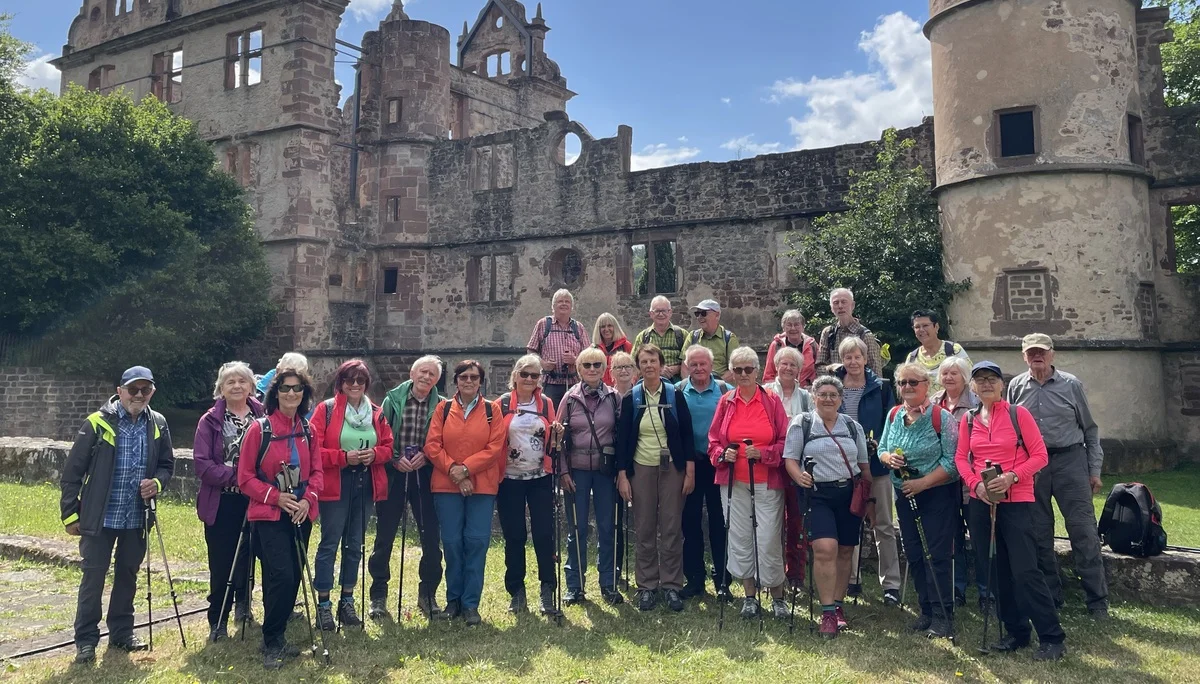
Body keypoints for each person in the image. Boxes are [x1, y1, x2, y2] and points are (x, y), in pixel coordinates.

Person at [61, 366, 175, 664]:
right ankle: (86, 640)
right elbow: (72, 473)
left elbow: (167, 465)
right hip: (100, 516)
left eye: (145, 390)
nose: (139, 395)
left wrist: (157, 483)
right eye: (133, 389)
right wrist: (70, 515)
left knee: (128, 575)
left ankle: (122, 634)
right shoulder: (96, 423)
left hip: (136, 517)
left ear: (152, 392)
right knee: (93, 578)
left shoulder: (158, 423)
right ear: (119, 391)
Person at [956, 361, 1066, 661]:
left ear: (1002, 385)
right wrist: (975, 485)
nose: (986, 384)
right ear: (973, 387)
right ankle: (1017, 631)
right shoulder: (968, 420)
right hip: (981, 502)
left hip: (1017, 502)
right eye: (980, 380)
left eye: (992, 379)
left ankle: (1052, 636)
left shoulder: (1019, 414)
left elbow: (1040, 455)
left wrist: (1012, 477)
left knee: (1025, 570)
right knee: (995, 571)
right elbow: (961, 458)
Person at [1007, 333, 1109, 619]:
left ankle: (1097, 599)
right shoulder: (1015, 386)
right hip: (1033, 466)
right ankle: (1052, 594)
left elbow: (1090, 430)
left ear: (1052, 354)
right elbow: (1011, 430)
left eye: (1042, 351)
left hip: (1070, 461)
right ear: (1024, 356)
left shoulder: (1071, 384)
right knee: (1039, 531)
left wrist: (1094, 470)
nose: (1037, 356)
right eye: (1031, 353)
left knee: (1083, 530)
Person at [237, 368, 323, 669]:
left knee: (294, 576)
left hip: (301, 513)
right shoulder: (259, 430)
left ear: (304, 394)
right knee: (282, 576)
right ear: (276, 393)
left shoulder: (309, 430)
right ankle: (271, 640)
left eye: (297, 388)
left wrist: (308, 499)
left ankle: (278, 635)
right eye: (285, 388)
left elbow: (317, 473)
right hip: (270, 515)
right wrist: (276, 497)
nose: (291, 394)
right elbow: (245, 478)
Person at [783, 376, 872, 639]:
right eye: (822, 394)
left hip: (849, 494)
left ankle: (838, 605)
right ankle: (828, 612)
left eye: (833, 394)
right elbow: (790, 459)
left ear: (841, 399)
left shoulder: (852, 426)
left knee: (845, 550)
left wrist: (870, 502)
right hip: (817, 495)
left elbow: (864, 466)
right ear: (813, 397)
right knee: (825, 548)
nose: (828, 399)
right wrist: (799, 476)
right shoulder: (802, 423)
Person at [877, 362, 960, 638]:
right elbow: (882, 448)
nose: (908, 387)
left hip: (936, 493)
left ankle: (942, 614)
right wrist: (888, 458)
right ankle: (925, 610)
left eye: (914, 382)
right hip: (904, 493)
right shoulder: (894, 414)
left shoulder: (941, 418)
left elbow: (953, 463)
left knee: (936, 554)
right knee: (913, 551)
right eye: (903, 382)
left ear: (927, 385)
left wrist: (923, 483)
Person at [708, 347, 790, 619]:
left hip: (767, 481)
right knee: (740, 538)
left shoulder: (771, 400)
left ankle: (777, 597)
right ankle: (750, 596)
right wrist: (723, 454)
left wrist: (764, 454)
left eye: (748, 369)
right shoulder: (726, 401)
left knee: (767, 540)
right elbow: (713, 441)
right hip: (734, 482)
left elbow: (785, 441)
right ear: (732, 372)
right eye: (738, 369)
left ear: (757, 371)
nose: (743, 374)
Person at [310, 360, 393, 630]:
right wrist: (343, 457)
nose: (355, 385)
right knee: (330, 543)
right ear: (341, 382)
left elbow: (388, 447)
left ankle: (347, 600)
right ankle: (324, 604)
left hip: (365, 482)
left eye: (360, 380)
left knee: (355, 544)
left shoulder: (376, 413)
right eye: (349, 380)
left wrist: (374, 454)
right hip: (336, 482)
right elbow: (313, 450)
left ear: (367, 384)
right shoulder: (326, 410)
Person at [615, 344, 696, 612]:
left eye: (653, 361)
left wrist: (689, 472)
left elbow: (687, 434)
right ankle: (647, 586)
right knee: (645, 527)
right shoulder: (632, 398)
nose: (649, 365)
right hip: (641, 468)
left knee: (671, 526)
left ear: (661, 365)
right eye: (644, 361)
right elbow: (622, 440)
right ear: (638, 367)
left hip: (672, 468)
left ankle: (672, 584)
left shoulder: (675, 395)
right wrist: (622, 475)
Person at [425, 361, 506, 625]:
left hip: (482, 487)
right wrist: (455, 471)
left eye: (474, 377)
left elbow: (495, 447)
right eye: (463, 377)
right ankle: (453, 601)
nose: (468, 381)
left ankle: (470, 604)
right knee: (451, 543)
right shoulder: (443, 409)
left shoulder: (492, 410)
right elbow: (432, 445)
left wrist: (467, 469)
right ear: (456, 381)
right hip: (447, 485)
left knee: (476, 542)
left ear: (481, 381)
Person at [369, 355, 445, 619]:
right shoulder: (392, 400)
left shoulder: (442, 405)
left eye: (432, 374)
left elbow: (443, 440)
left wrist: (428, 455)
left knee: (431, 536)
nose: (426, 377)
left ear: (437, 380)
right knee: (385, 536)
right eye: (422, 372)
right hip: (395, 473)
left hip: (425, 474)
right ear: (412, 374)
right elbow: (380, 435)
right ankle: (378, 595)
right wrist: (394, 459)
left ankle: (428, 594)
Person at [193, 361, 265, 641]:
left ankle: (244, 608)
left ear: (251, 386)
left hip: (256, 500)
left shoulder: (263, 416)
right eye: (230, 382)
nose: (236, 386)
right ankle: (218, 620)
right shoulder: (209, 421)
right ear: (221, 388)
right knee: (222, 562)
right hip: (222, 501)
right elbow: (203, 466)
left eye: (242, 381)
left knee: (250, 555)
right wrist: (241, 477)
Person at [833, 337, 901, 606]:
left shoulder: (881, 387)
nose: (853, 362)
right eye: (847, 357)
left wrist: (878, 446)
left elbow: (892, 424)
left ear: (865, 358)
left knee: (883, 525)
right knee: (849, 523)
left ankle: (891, 584)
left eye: (857, 356)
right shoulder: (833, 386)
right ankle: (851, 579)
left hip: (876, 466)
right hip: (843, 467)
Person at [556, 347, 624, 605]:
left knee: (608, 527)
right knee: (577, 528)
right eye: (587, 365)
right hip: (577, 471)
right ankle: (575, 585)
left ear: (604, 368)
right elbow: (558, 439)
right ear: (579, 369)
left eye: (597, 364)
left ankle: (608, 583)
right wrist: (563, 471)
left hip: (606, 472)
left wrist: (621, 471)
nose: (592, 369)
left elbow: (622, 437)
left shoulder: (615, 398)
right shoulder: (569, 399)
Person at [496, 355, 559, 615]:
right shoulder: (501, 403)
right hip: (509, 479)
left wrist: (557, 434)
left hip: (540, 477)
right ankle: (517, 592)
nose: (530, 379)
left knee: (544, 534)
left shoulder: (546, 403)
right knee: (515, 536)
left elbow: (553, 438)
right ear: (515, 376)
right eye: (525, 374)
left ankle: (547, 589)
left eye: (535, 375)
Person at [677, 345, 733, 600]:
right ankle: (694, 579)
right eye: (694, 364)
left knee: (719, 523)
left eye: (703, 364)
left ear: (711, 365)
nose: (699, 368)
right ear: (686, 366)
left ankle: (723, 580)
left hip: (718, 465)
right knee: (689, 523)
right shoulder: (677, 391)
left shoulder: (725, 390)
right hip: (689, 465)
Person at [931, 356, 985, 609]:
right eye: (945, 373)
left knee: (980, 536)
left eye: (954, 373)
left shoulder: (977, 403)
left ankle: (987, 592)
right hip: (944, 481)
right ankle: (957, 588)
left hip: (972, 481)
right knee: (952, 537)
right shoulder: (933, 403)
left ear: (965, 377)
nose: (949, 377)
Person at [763, 346, 814, 589]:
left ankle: (795, 574)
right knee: (770, 520)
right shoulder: (765, 393)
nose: (788, 368)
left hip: (797, 464)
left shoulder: (805, 397)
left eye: (793, 365)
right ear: (776, 366)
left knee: (796, 520)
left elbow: (812, 428)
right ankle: (770, 572)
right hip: (771, 463)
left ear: (799, 370)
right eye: (784, 363)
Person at [526, 289, 590, 407]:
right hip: (550, 383)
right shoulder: (543, 324)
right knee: (549, 414)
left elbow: (589, 356)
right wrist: (543, 364)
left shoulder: (579, 328)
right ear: (553, 306)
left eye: (567, 301)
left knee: (574, 414)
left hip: (574, 384)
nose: (564, 304)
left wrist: (575, 360)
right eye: (560, 301)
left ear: (571, 307)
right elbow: (531, 351)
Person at [815, 288, 883, 376]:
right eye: (836, 303)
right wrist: (832, 368)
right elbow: (818, 368)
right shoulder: (828, 333)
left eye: (844, 302)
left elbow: (876, 373)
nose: (840, 306)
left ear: (853, 305)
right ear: (831, 308)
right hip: (833, 384)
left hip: (859, 384)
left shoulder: (865, 336)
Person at [905, 310, 970, 393]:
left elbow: (969, 378)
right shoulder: (912, 358)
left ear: (936, 327)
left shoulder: (954, 350)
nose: (921, 329)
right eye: (917, 327)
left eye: (925, 325)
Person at [632, 295, 689, 383]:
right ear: (651, 314)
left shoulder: (682, 335)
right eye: (657, 311)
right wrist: (657, 369)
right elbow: (633, 364)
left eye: (664, 311)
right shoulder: (642, 337)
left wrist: (676, 369)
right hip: (649, 383)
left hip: (676, 383)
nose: (661, 314)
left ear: (670, 312)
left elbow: (691, 363)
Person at [682, 299, 740, 383]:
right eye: (697, 313)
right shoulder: (692, 337)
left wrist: (714, 386)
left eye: (703, 313)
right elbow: (684, 366)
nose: (699, 317)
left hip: (720, 387)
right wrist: (690, 385)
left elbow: (735, 369)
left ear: (717, 315)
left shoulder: (729, 338)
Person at [763, 310, 817, 387]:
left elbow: (819, 370)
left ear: (803, 327)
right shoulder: (777, 345)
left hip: (807, 391)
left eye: (796, 324)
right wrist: (773, 391)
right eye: (789, 325)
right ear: (783, 327)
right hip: (781, 391)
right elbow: (769, 374)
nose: (793, 328)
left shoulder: (812, 345)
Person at [593, 312, 633, 386]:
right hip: (600, 389)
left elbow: (633, 369)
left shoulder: (625, 346)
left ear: (615, 327)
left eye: (609, 326)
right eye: (603, 326)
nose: (606, 329)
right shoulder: (594, 349)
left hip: (621, 387)